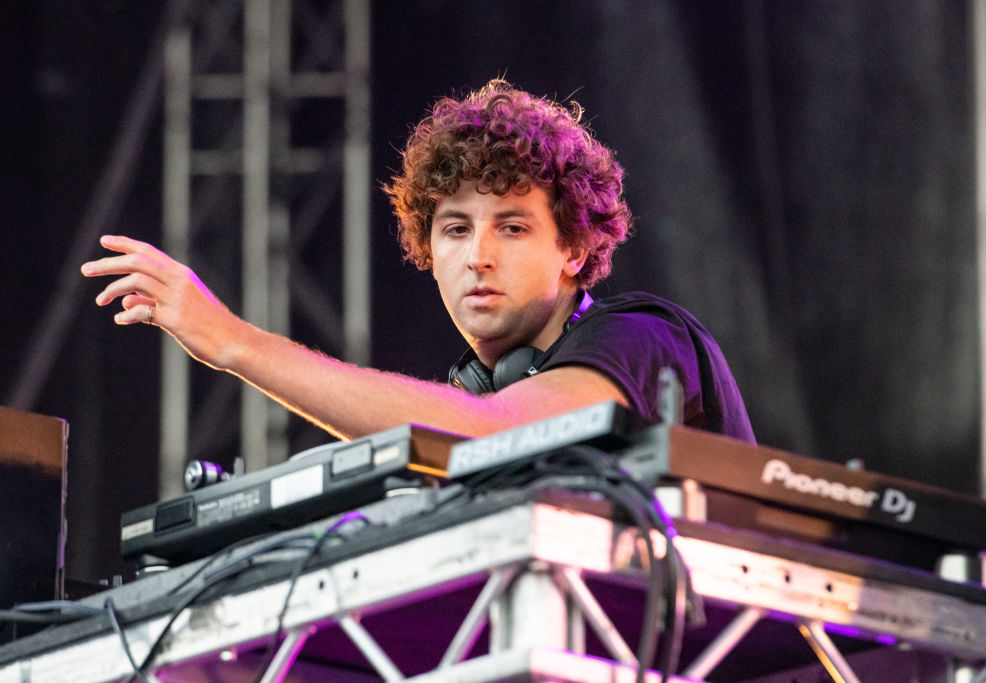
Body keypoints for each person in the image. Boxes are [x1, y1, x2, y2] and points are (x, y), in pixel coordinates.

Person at [81, 79, 754, 444]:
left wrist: (234, 341)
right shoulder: (471, 394)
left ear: (575, 247)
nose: (478, 256)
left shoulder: (643, 338)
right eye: (455, 229)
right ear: (428, 251)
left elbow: (496, 430)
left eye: (513, 227)